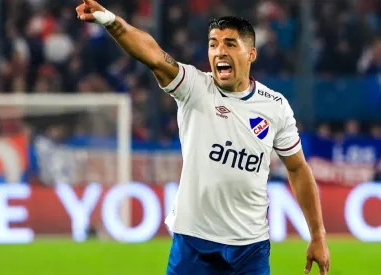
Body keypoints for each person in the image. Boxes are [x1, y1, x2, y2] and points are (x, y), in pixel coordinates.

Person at [76, 1, 331, 274]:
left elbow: (297, 168)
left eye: (231, 44)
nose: (220, 51)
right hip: (194, 244)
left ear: (251, 54)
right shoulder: (195, 87)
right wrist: (110, 20)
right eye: (213, 44)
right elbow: (152, 54)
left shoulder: (275, 106)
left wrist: (317, 235)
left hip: (251, 248)